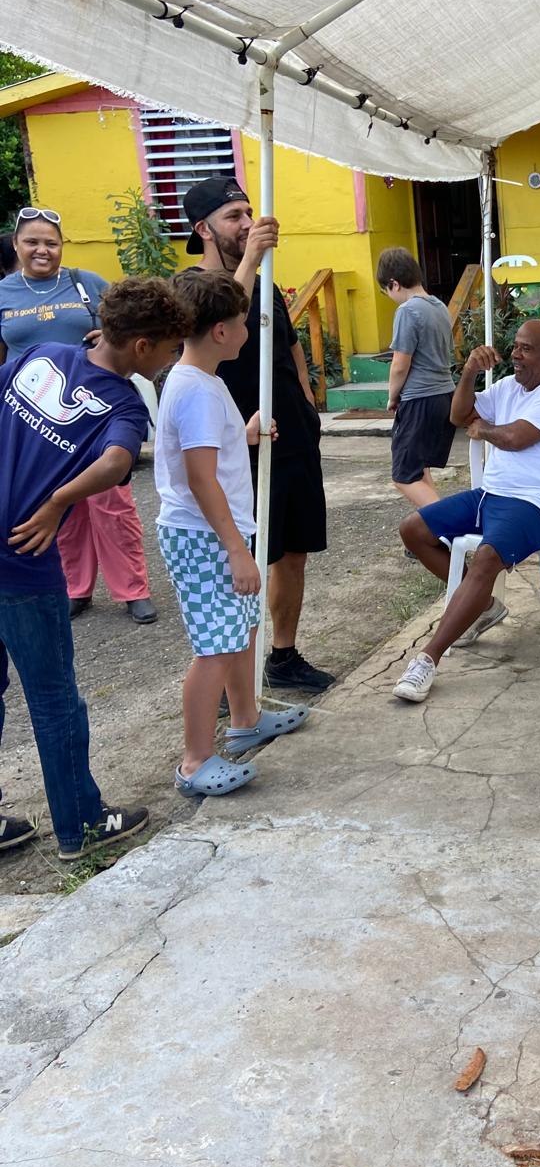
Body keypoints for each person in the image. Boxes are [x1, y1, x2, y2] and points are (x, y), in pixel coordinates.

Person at [0, 277, 191, 858]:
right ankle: (80, 826)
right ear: (142, 347)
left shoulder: (42, 354)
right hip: (23, 557)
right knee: (53, 699)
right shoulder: (126, 404)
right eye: (169, 350)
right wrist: (57, 502)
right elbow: (114, 462)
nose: (170, 361)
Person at [155, 271, 310, 797]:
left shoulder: (204, 382)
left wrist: (241, 435)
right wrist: (238, 550)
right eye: (245, 322)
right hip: (206, 538)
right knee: (215, 648)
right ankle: (195, 760)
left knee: (239, 631)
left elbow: (202, 456)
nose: (250, 330)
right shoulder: (196, 390)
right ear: (221, 331)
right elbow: (200, 480)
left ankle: (246, 719)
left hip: (217, 534)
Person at [183, 177, 333, 693]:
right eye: (234, 217)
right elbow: (224, 318)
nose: (247, 224)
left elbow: (289, 346)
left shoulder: (265, 281)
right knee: (243, 559)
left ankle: (283, 657)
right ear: (203, 229)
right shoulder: (191, 287)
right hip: (237, 444)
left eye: (249, 213)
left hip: (292, 436)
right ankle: (232, 677)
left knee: (293, 551)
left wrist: (308, 405)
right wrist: (250, 260)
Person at [393, 320, 540, 702]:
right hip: (492, 494)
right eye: (515, 346)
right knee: (413, 530)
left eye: (526, 349)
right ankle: (482, 605)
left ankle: (427, 659)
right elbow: (458, 415)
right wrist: (469, 372)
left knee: (487, 557)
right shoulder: (509, 387)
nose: (515, 354)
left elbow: (515, 438)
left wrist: (483, 429)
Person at [0, 206, 159, 624]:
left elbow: (125, 324)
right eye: (32, 242)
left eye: (51, 243)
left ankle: (133, 589)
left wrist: (105, 335)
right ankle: (77, 587)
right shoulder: (4, 293)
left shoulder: (84, 282)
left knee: (112, 506)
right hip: (37, 414)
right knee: (62, 513)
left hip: (96, 411)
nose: (42, 250)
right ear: (16, 244)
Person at [377, 247, 456, 509]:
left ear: (394, 284)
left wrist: (392, 396)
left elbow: (400, 364)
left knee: (403, 476)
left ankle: (448, 525)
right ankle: (434, 527)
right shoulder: (439, 306)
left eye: (386, 292)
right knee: (419, 469)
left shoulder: (408, 311)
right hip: (444, 395)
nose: (390, 298)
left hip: (419, 398)